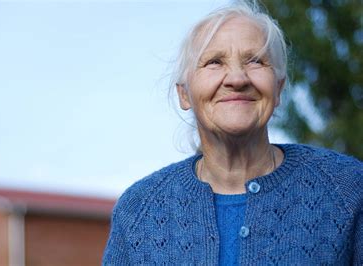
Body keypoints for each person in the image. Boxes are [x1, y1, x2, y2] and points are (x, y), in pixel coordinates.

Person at [102, 1, 362, 265]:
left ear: (279, 88)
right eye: (214, 62)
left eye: (255, 61)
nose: (237, 79)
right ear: (184, 94)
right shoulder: (137, 211)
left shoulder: (349, 189)